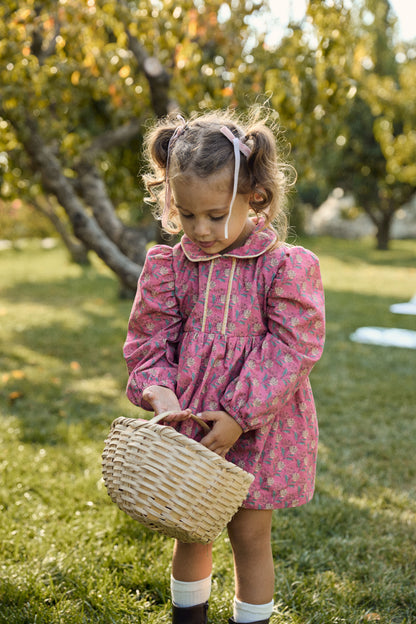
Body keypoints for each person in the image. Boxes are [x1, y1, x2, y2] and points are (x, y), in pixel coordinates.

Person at [123, 109, 325, 624]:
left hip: (258, 427)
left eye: (215, 215)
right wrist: (161, 396)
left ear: (254, 197)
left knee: (250, 538)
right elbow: (150, 341)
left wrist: (239, 413)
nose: (200, 229)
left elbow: (293, 346)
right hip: (192, 424)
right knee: (191, 529)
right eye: (187, 215)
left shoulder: (282, 266)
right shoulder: (170, 267)